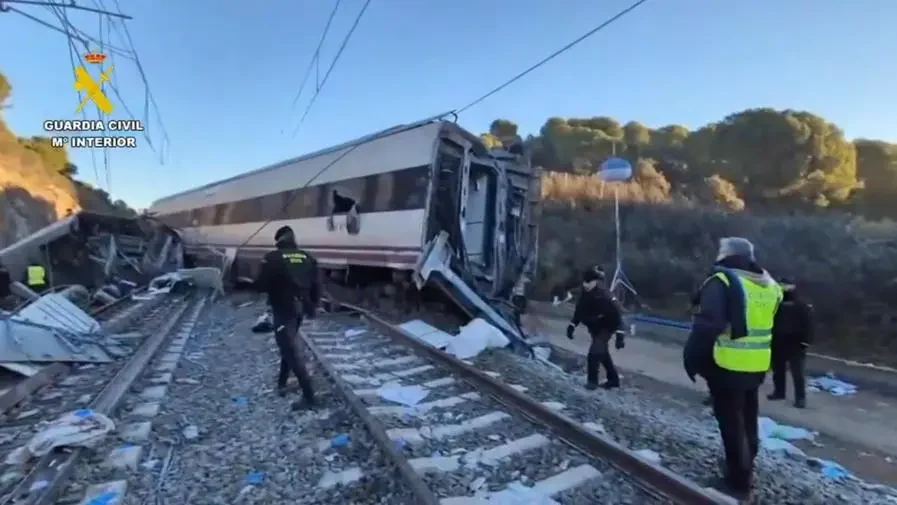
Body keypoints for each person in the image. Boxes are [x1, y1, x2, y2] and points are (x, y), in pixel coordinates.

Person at [683, 237, 783, 501]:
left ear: (726, 254)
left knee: (730, 421)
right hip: (758, 363)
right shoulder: (769, 284)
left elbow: (708, 324)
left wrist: (691, 358)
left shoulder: (723, 281)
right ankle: (746, 465)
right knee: (748, 416)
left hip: (727, 363)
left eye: (720, 251)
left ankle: (738, 481)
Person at [254, 225, 321, 410]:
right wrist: (312, 308)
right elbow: (316, 285)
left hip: (283, 309)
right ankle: (282, 383)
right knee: (288, 345)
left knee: (289, 350)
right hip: (300, 310)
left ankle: (310, 397)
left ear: (279, 242)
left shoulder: (273, 258)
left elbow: (260, 285)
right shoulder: (307, 257)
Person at [567, 268, 625, 390]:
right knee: (602, 353)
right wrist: (572, 325)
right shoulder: (584, 293)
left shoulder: (604, 294)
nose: (586, 284)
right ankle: (613, 380)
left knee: (594, 353)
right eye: (584, 282)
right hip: (594, 327)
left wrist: (620, 335)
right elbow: (579, 310)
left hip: (607, 326)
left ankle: (592, 382)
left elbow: (618, 312)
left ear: (595, 282)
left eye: (589, 282)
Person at [768, 277, 813, 409]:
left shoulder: (801, 304)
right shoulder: (776, 302)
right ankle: (779, 392)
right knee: (778, 370)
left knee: (797, 372)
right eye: (782, 285)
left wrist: (806, 341)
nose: (784, 288)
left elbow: (808, 324)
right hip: (777, 342)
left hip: (796, 344)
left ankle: (800, 398)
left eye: (786, 285)